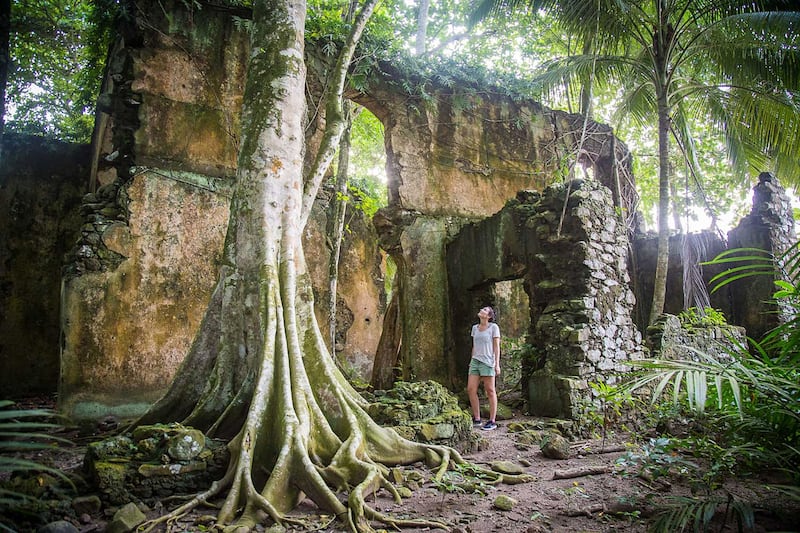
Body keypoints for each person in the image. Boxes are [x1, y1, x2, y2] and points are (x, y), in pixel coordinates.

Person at [467, 305, 500, 431]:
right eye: (482, 309)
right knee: (471, 389)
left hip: (488, 362)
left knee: (490, 390)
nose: (481, 310)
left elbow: (496, 347)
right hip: (476, 361)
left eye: (485, 310)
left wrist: (497, 364)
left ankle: (492, 420)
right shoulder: (475, 328)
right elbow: (474, 346)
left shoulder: (493, 327)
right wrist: (471, 360)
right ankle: (477, 418)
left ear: (489, 316)